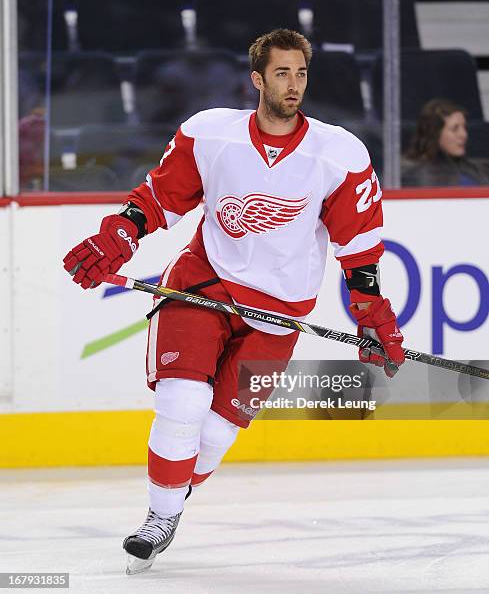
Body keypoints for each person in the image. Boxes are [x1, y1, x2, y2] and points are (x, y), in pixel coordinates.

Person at [63, 29, 405, 574]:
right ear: (257, 79)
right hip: (205, 284)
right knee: (182, 402)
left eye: (300, 73)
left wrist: (369, 312)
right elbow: (158, 197)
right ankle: (159, 518)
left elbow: (358, 244)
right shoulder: (210, 134)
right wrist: (120, 235)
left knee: (217, 432)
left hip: (280, 310)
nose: (293, 85)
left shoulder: (339, 154)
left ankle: (177, 494)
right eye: (281, 73)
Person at [402, 98, 489, 187]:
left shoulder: (477, 169)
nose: (464, 135)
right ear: (435, 133)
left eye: (464, 128)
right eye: (455, 129)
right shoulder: (414, 175)